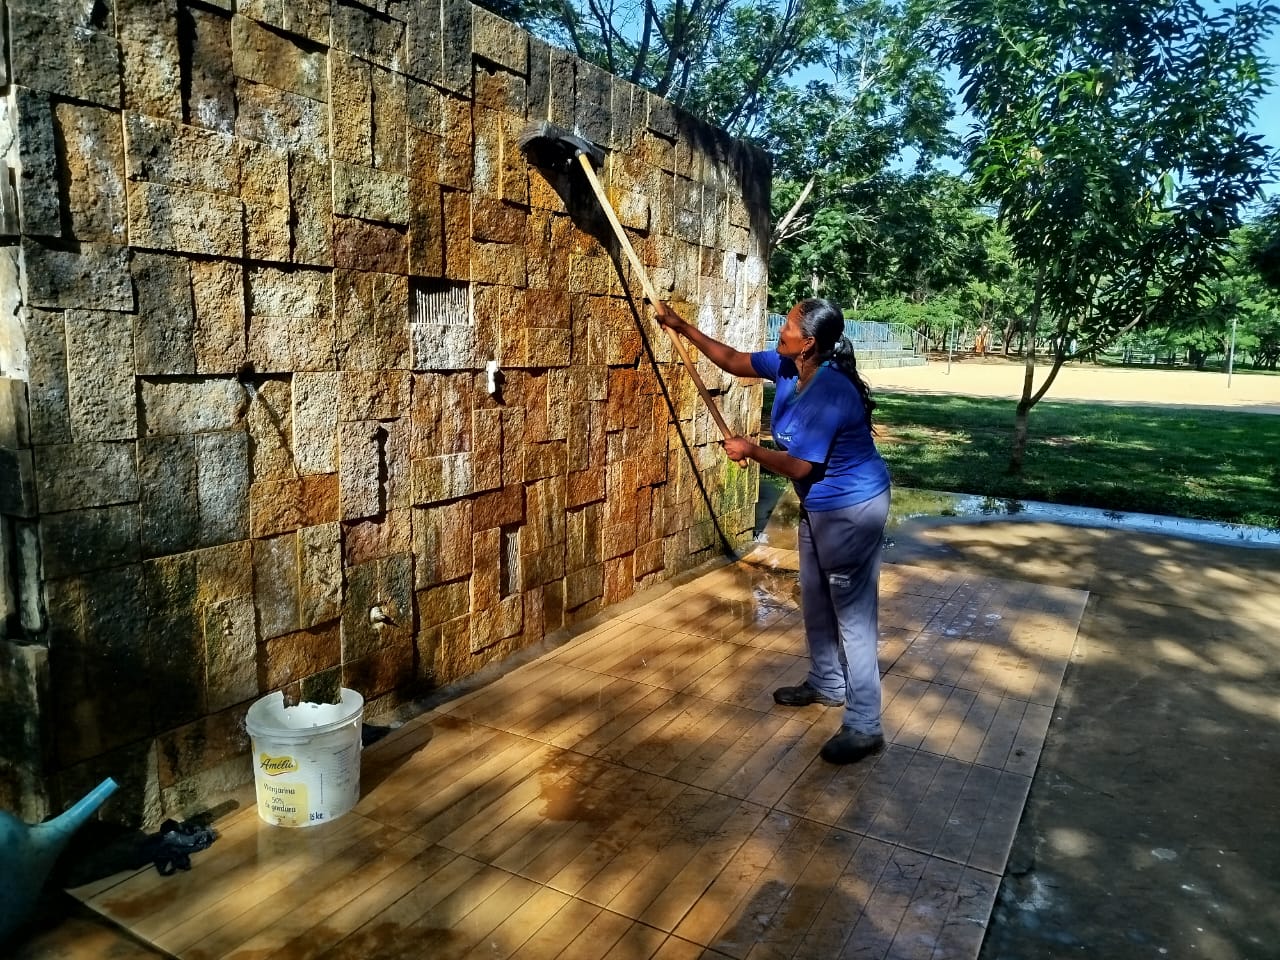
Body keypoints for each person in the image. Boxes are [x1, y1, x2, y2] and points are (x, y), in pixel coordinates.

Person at [655, 298, 892, 765]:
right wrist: (682, 327)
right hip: (818, 504)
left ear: (809, 344)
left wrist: (750, 449)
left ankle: (866, 725)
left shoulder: (830, 392)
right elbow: (732, 360)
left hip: (852, 509)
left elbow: (802, 464)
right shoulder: (787, 367)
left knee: (854, 616)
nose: (780, 330)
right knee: (814, 593)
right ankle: (827, 683)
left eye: (787, 326)